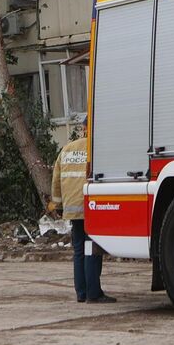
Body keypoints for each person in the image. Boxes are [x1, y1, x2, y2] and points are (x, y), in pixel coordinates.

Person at [50, 119, 114, 305]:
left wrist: (58, 205)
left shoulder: (67, 149)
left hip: (72, 209)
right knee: (92, 250)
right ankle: (94, 293)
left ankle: (81, 292)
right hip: (91, 207)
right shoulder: (96, 150)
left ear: (83, 128)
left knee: (79, 250)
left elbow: (56, 181)